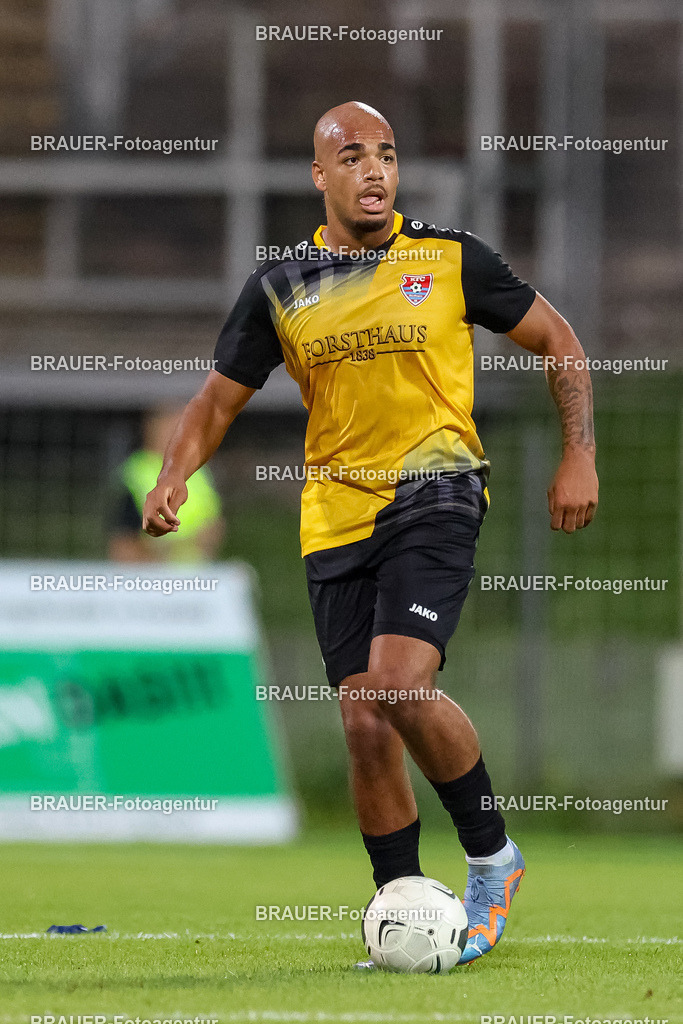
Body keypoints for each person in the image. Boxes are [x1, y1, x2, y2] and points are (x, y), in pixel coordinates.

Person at [142, 101, 598, 965]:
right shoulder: (279, 289)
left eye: (386, 154)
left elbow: (560, 342)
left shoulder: (451, 259)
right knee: (360, 720)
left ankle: (491, 858)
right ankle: (398, 908)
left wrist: (578, 455)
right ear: (320, 177)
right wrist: (174, 474)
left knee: (394, 682)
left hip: (437, 492)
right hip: (333, 517)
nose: (374, 171)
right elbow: (215, 400)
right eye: (352, 157)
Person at [110, 407, 224, 563]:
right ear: (151, 430)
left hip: (196, 579)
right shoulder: (135, 475)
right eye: (173, 427)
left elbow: (214, 529)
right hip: (153, 580)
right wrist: (179, 547)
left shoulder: (199, 472)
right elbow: (123, 548)